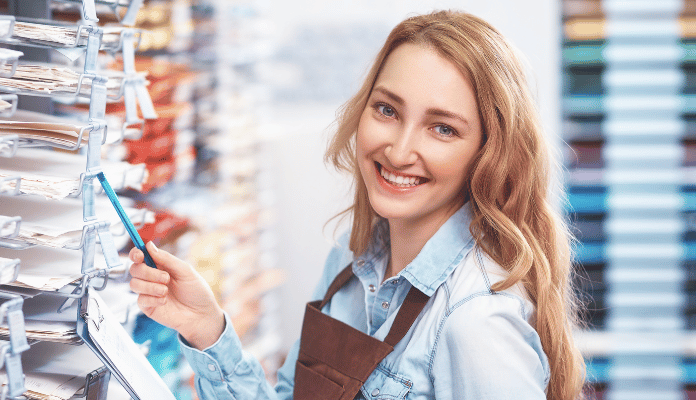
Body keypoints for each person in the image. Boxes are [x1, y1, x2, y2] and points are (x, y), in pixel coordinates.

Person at [126, 9, 585, 400]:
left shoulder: (475, 323)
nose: (400, 151)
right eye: (387, 110)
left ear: (489, 153)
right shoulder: (354, 260)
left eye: (442, 128)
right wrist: (207, 328)